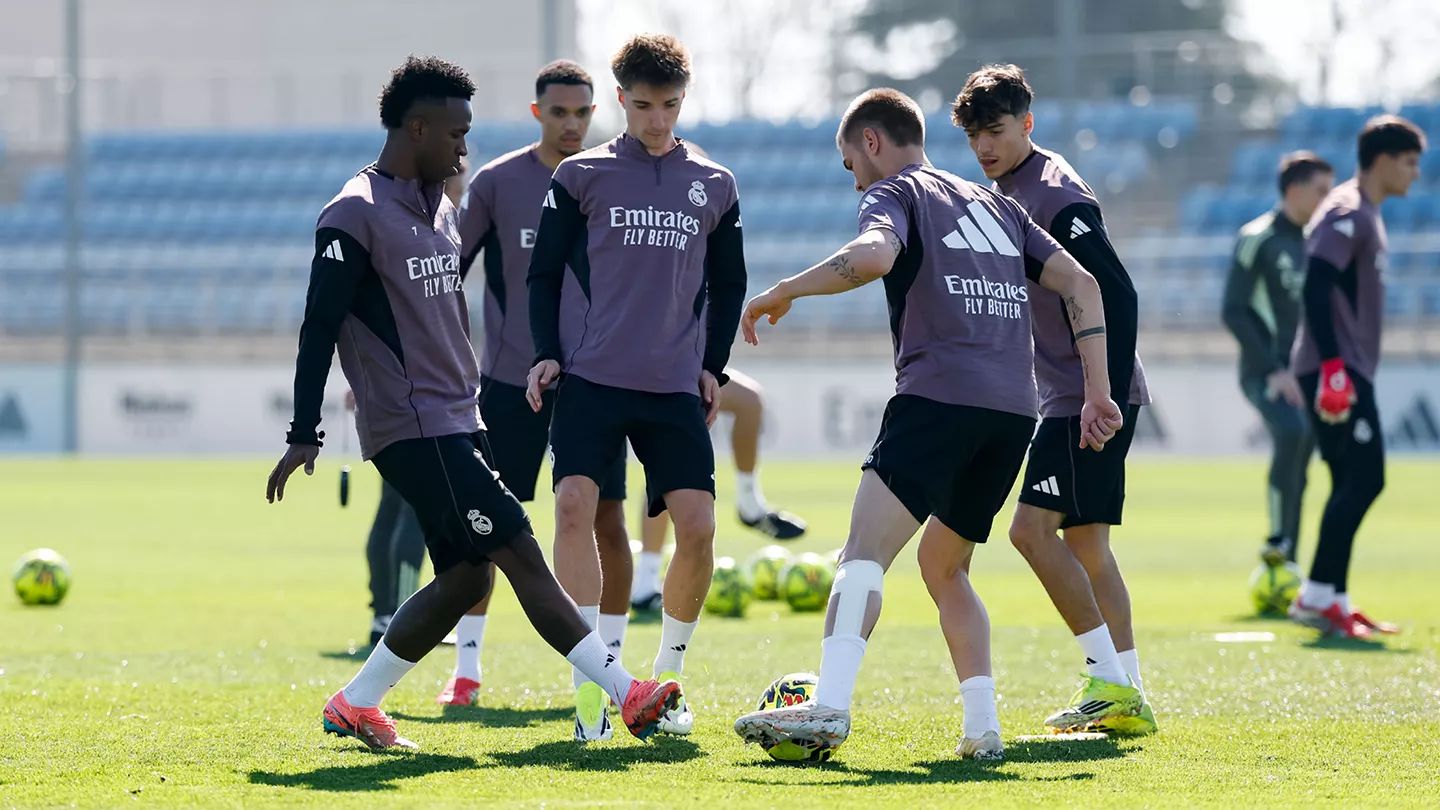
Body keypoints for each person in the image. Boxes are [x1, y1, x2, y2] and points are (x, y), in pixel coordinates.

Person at [264, 55, 679, 750]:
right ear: (418, 129)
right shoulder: (353, 214)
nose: (464, 148)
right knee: (518, 546)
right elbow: (319, 325)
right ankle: (625, 691)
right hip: (413, 425)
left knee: (463, 579)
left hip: (463, 416)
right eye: (456, 135)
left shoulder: (442, 208)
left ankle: (356, 702)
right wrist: (304, 427)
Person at [732, 87, 1122, 761]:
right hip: (1012, 413)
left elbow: (877, 255)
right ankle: (983, 729)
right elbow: (1082, 284)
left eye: (849, 158)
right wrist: (1097, 393)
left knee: (862, 555)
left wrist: (784, 289)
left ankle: (828, 707)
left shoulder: (895, 193)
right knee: (945, 566)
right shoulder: (998, 203)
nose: (851, 175)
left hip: (937, 400)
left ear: (872, 142)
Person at [527, 33, 747, 740]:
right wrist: (545, 353)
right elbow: (543, 272)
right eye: (645, 105)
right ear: (620, 99)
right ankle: (591, 691)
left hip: (673, 386)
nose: (659, 120)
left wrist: (713, 365)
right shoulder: (581, 176)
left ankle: (667, 679)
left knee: (700, 528)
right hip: (591, 377)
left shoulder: (715, 183)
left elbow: (731, 281)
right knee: (572, 508)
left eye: (672, 105)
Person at [949, 64, 1153, 735]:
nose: (985, 145)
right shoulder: (1009, 189)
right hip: (1079, 395)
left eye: (997, 130)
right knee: (1088, 545)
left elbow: (1113, 292)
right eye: (976, 134)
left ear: (1027, 125)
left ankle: (1112, 683)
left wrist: (1102, 393)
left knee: (1029, 532)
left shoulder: (1055, 193)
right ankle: (1128, 696)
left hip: (1085, 398)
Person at [442, 60, 635, 713]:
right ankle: (466, 669)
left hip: (598, 382)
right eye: (560, 113)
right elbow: (446, 276)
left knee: (605, 520)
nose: (573, 124)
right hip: (506, 382)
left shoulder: (616, 179)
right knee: (485, 531)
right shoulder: (498, 183)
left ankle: (609, 667)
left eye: (583, 113)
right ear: (538, 113)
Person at [1286, 115, 1424, 639]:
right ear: (1384, 159)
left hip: (1341, 365)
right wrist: (1334, 371)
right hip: (1335, 367)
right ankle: (1317, 597)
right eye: (1410, 162)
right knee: (1367, 478)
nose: (1415, 174)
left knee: (1351, 480)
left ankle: (1333, 597)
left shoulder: (1365, 212)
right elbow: (1316, 289)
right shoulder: (1346, 211)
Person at [1223, 152, 1335, 567]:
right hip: (1265, 372)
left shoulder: (1320, 241)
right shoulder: (1258, 237)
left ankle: (1289, 561)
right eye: (1321, 190)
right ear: (1294, 190)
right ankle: (1277, 543)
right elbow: (1232, 310)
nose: (1329, 198)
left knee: (1303, 454)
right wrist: (1274, 369)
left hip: (1309, 374)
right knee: (1291, 433)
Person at [630, 367, 806, 613]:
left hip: (687, 362)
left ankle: (749, 504)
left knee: (749, 401)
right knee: (665, 464)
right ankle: (645, 582)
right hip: (652, 365)